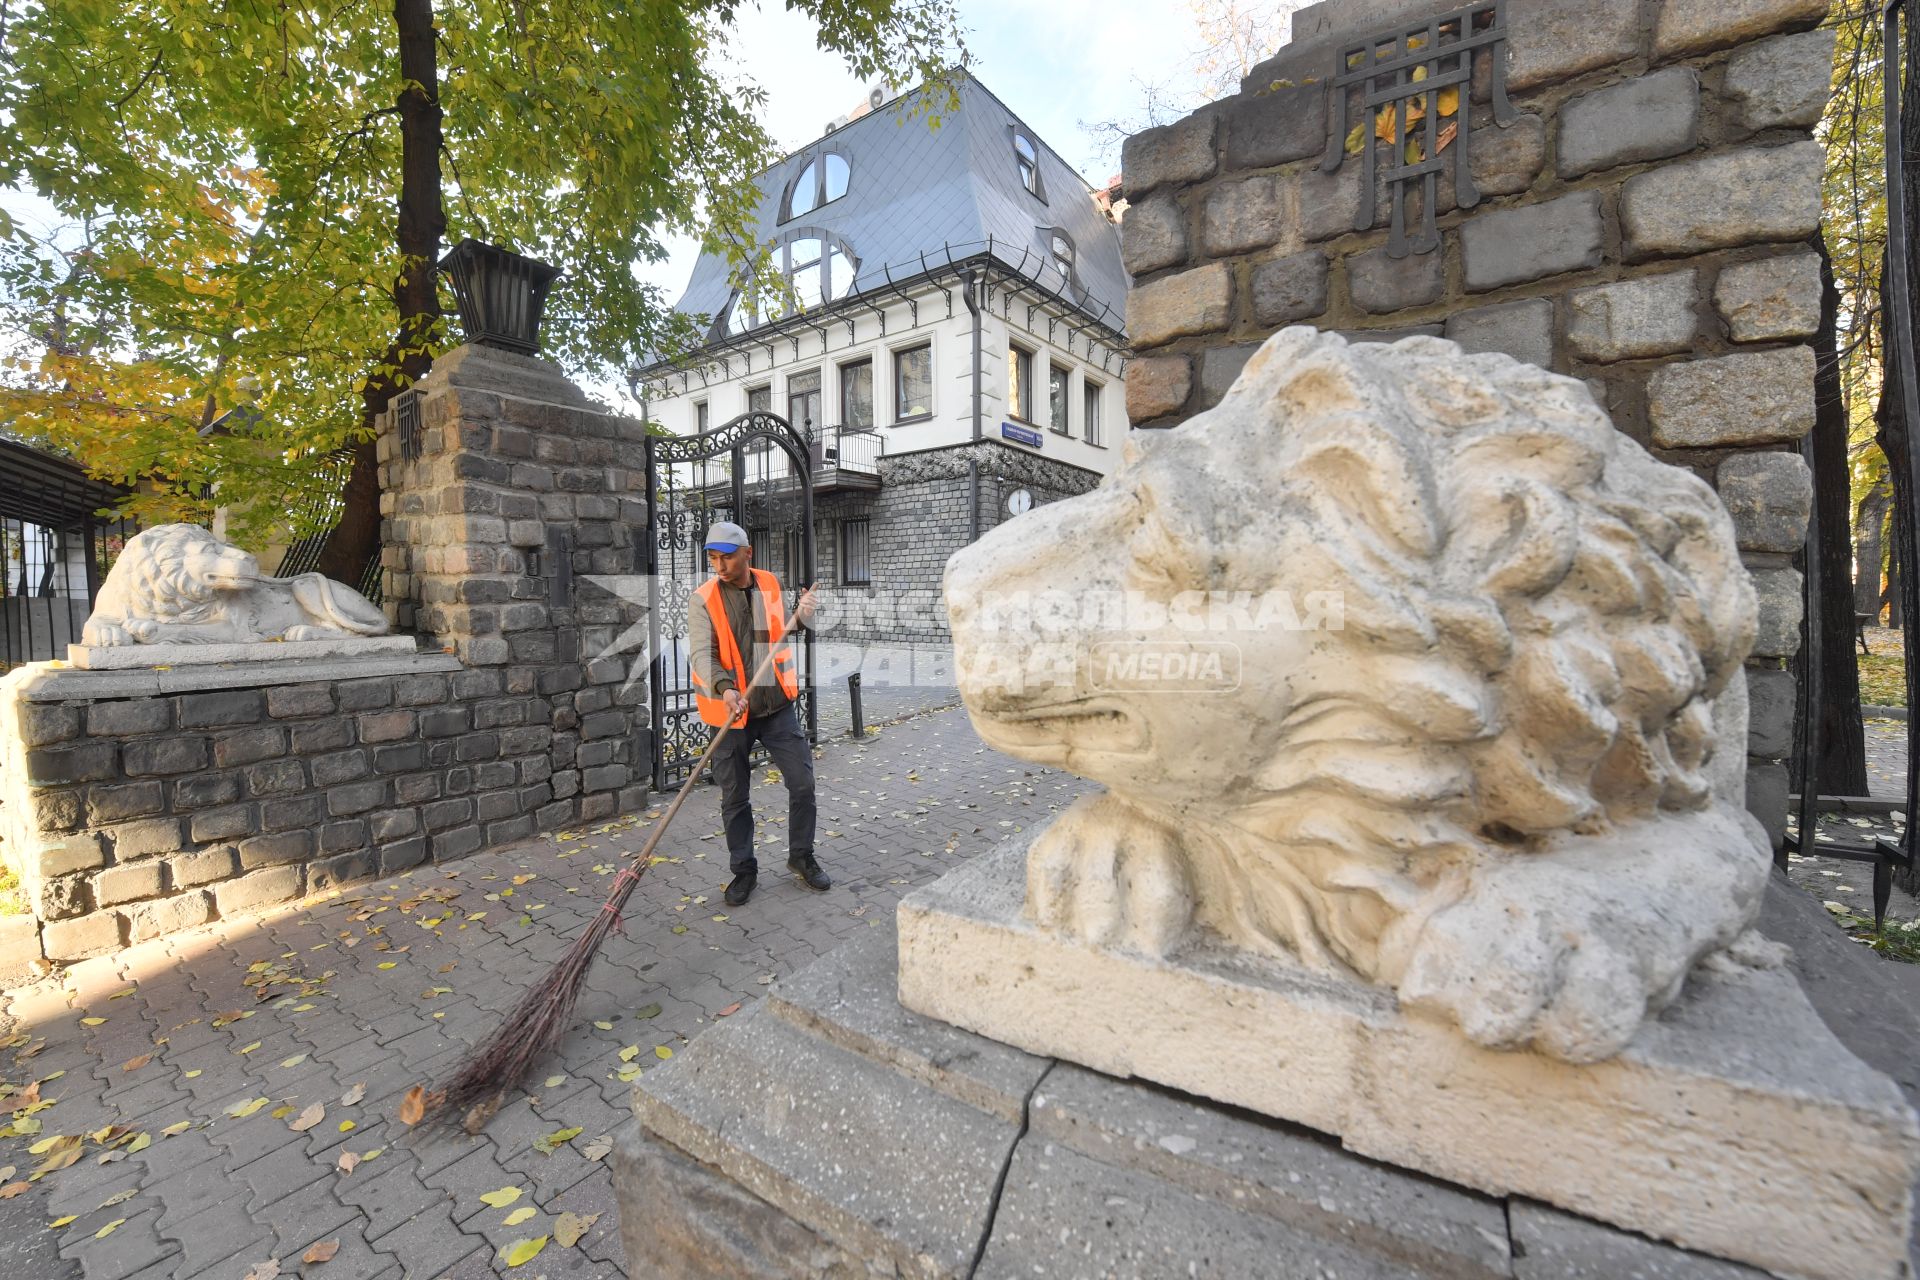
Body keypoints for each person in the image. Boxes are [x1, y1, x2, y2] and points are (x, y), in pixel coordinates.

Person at [688, 520, 829, 907]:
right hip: (730, 715)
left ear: (748, 553)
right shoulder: (702, 599)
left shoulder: (768, 582)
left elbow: (783, 630)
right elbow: (703, 654)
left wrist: (802, 615)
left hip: (776, 706)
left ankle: (801, 857)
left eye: (727, 557)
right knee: (735, 798)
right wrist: (726, 688)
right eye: (713, 558)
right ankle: (744, 871)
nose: (719, 566)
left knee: (802, 784)